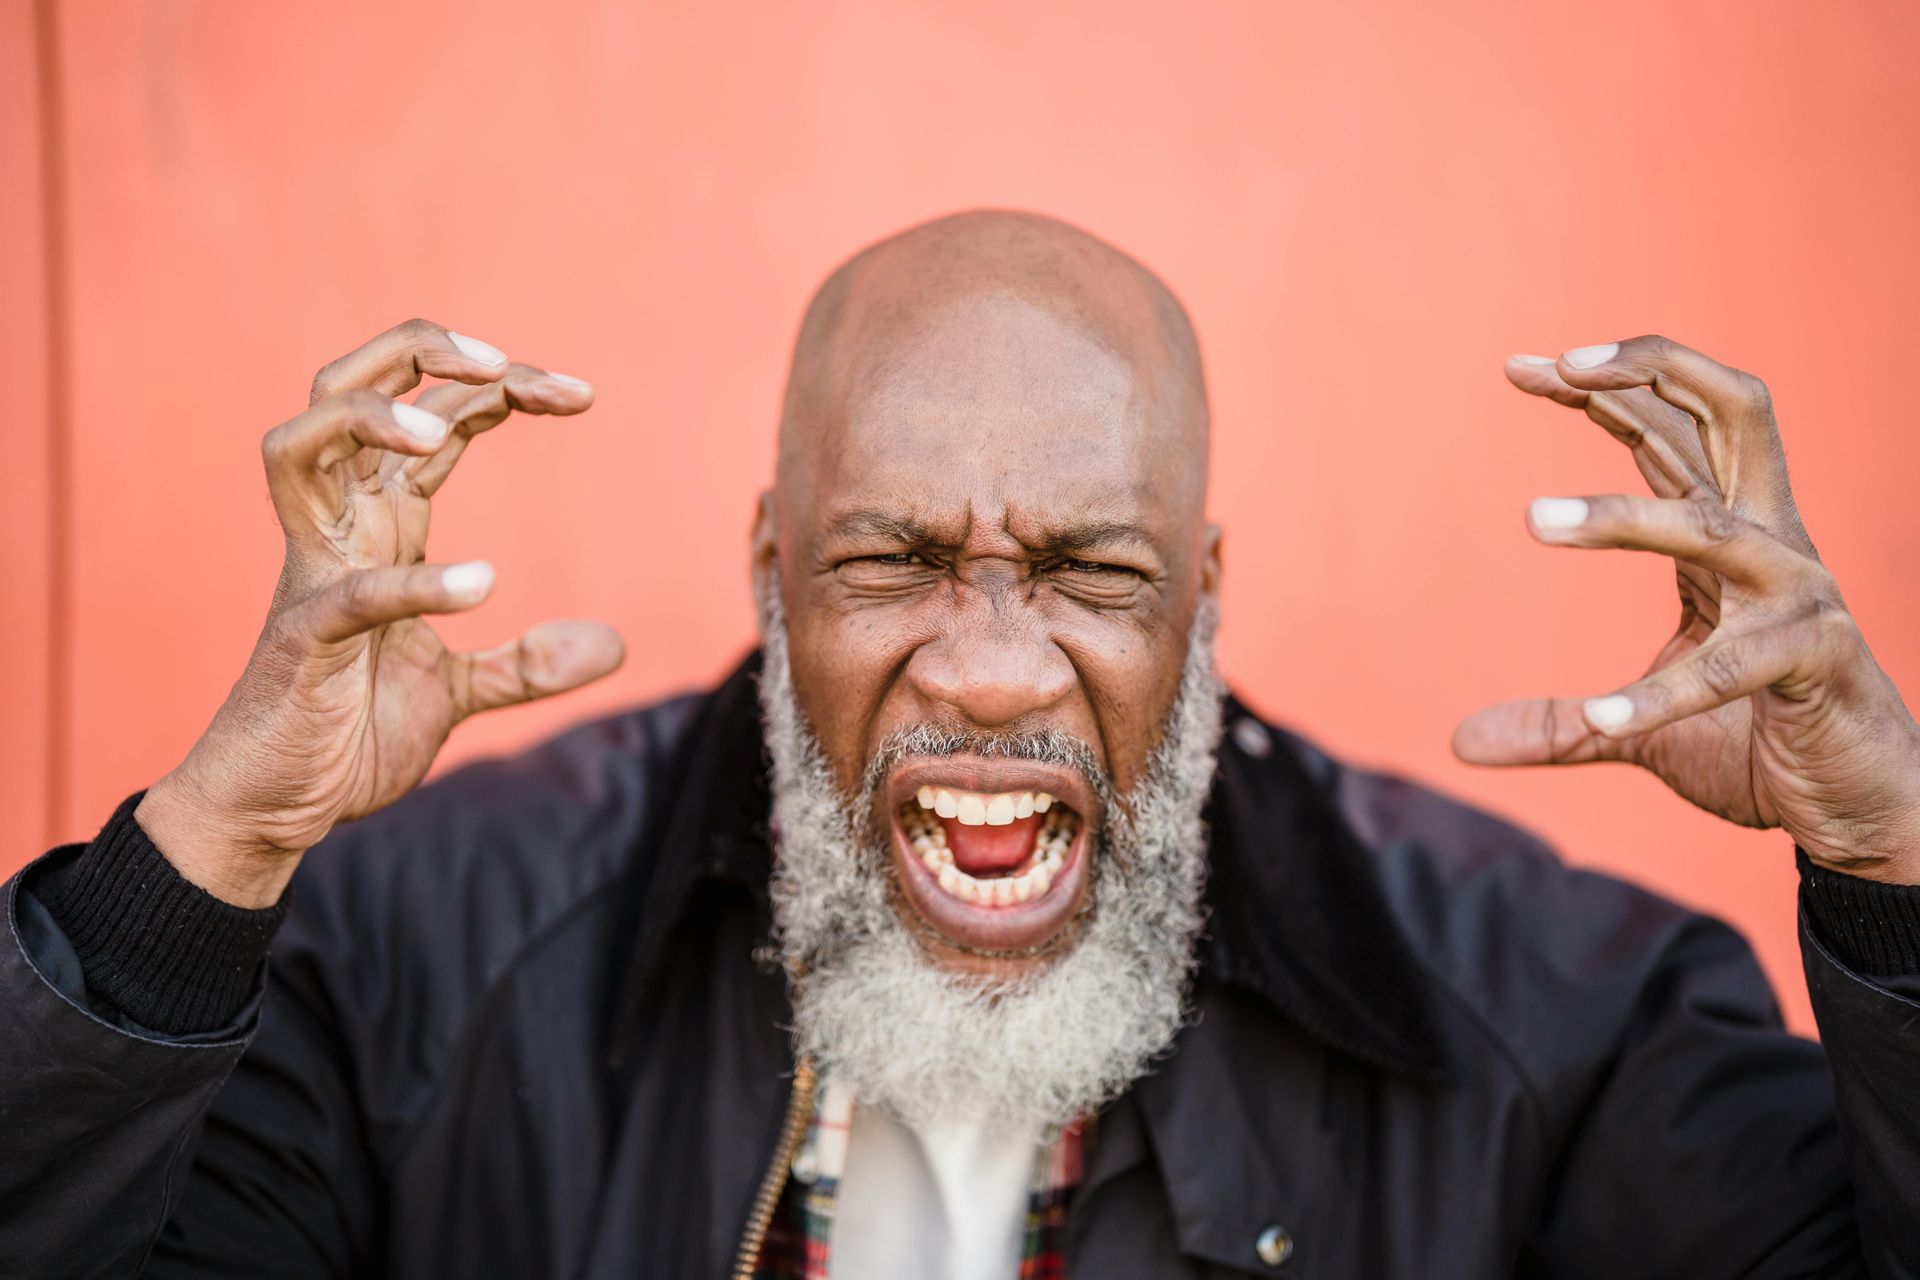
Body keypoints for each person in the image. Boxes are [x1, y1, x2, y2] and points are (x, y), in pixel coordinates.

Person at [4, 211, 1919, 1279]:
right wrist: (203, 871)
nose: (994, 674)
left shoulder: (1549, 1022)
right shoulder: (404, 955)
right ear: (769, 570)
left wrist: (1898, 881)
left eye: (1090, 569)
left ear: (1203, 593)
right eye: (890, 563)